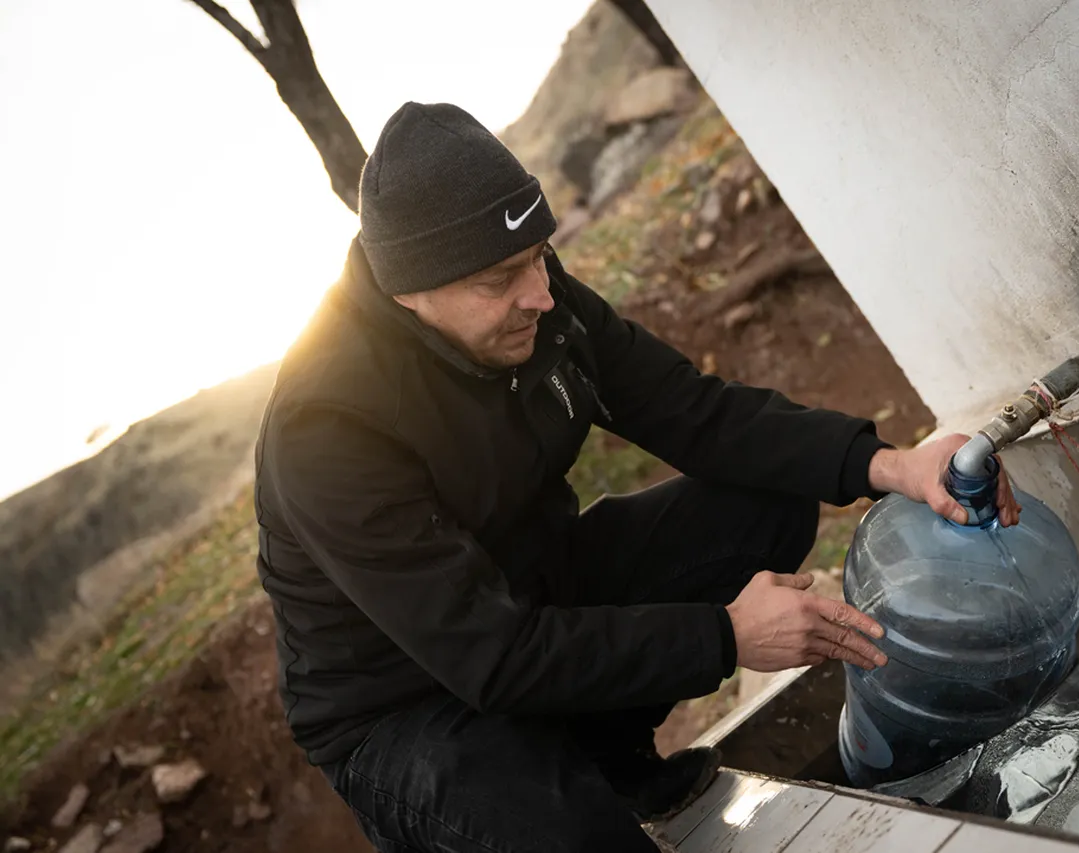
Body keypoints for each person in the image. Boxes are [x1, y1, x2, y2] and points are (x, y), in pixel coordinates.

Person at [253, 102, 1019, 853]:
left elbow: (692, 412)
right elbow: (492, 655)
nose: (542, 296)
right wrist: (725, 635)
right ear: (408, 289)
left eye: (540, 256)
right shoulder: (328, 427)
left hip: (536, 586)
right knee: (573, 832)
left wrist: (890, 464)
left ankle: (611, 758)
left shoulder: (534, 296)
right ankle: (568, 792)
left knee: (765, 505)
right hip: (407, 704)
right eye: (502, 279)